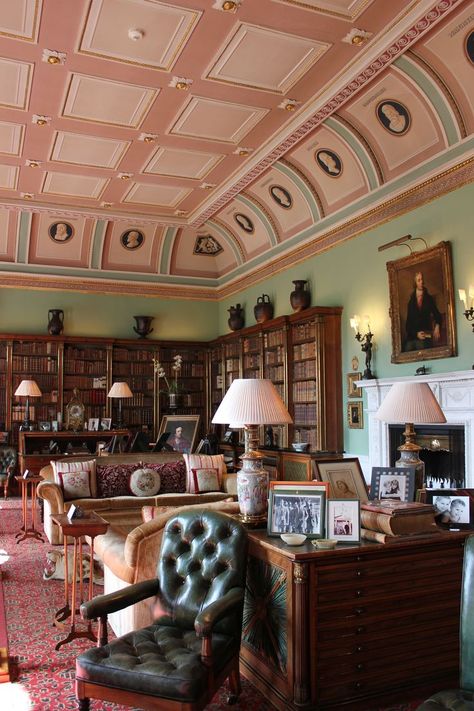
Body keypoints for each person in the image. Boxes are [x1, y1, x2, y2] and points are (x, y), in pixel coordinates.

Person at [404, 271, 442, 351]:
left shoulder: (429, 299)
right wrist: (416, 334)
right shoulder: (411, 302)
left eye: (422, 280)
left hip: (425, 335)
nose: (422, 282)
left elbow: (437, 315)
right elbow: (408, 325)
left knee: (421, 346)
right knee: (407, 348)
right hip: (413, 336)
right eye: (419, 280)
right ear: (415, 283)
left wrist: (437, 326)